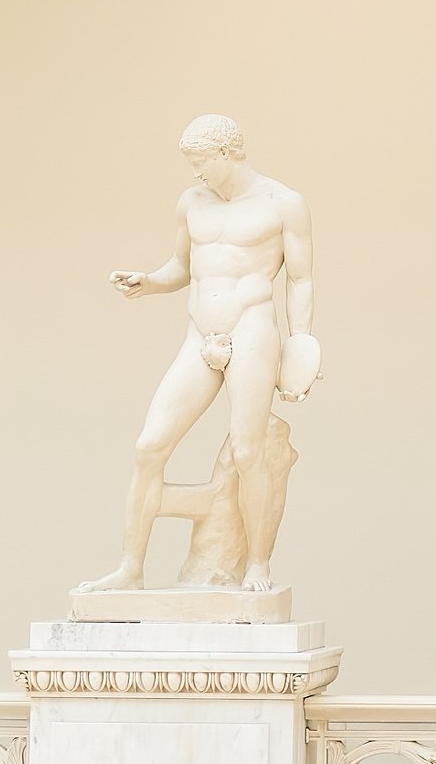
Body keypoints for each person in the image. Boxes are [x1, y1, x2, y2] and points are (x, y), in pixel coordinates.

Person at [81, 115, 320, 595]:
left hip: (251, 329)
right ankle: (130, 568)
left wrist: (300, 343)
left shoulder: (283, 203)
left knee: (249, 451)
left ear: (228, 153)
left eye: (200, 163)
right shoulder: (192, 202)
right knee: (148, 447)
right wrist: (147, 282)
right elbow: (181, 267)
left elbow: (299, 279)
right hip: (199, 335)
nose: (195, 174)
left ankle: (257, 564)